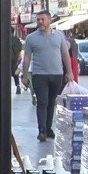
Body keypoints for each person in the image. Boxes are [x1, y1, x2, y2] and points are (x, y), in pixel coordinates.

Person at [22, 11, 71, 142]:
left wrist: (69, 72)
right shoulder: (31, 38)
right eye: (38, 20)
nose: (40, 22)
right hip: (39, 75)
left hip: (57, 74)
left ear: (49, 20)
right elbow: (27, 57)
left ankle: (49, 128)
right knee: (42, 102)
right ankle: (42, 130)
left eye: (42, 19)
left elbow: (65, 54)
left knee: (51, 102)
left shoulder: (59, 36)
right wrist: (25, 75)